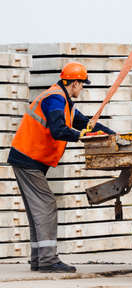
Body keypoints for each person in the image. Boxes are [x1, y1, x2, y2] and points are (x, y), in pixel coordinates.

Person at [7, 62, 115, 273]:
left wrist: (111, 135)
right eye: (82, 84)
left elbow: (84, 123)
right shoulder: (55, 98)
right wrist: (80, 137)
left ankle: (39, 259)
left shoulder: (62, 100)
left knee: (37, 210)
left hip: (27, 159)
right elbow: (58, 130)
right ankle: (47, 260)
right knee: (46, 205)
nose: (82, 89)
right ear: (74, 83)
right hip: (28, 160)